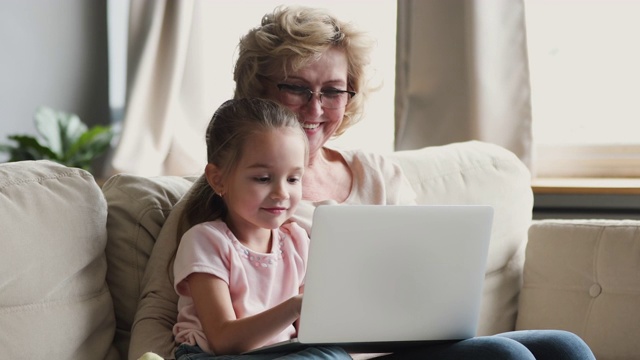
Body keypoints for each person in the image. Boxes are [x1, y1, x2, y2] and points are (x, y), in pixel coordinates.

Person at [131, 5, 596, 360]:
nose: (315, 108)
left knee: (563, 346)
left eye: (332, 90)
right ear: (259, 90)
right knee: (506, 356)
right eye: (297, 87)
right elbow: (162, 315)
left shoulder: (379, 176)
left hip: (399, 347)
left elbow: (423, 281)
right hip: (320, 355)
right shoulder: (223, 200)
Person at [171, 98, 350, 359]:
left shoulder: (298, 241)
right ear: (218, 179)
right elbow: (223, 340)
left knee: (333, 354)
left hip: (285, 353)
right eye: (263, 179)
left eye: (292, 179)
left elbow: (310, 335)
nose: (281, 193)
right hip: (215, 355)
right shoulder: (205, 240)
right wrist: (296, 307)